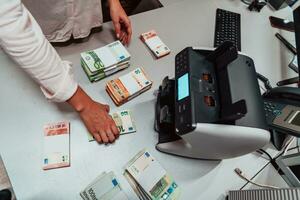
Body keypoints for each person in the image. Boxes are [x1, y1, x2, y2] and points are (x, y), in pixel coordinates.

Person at [0, 0, 132, 143]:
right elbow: (9, 23)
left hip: (88, 21)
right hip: (42, 33)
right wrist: (84, 105)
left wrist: (113, 1)